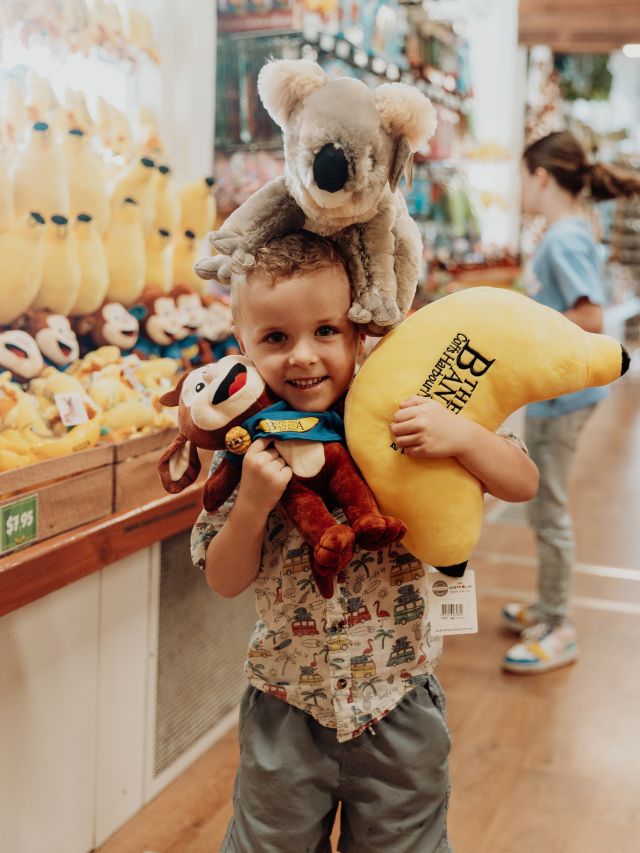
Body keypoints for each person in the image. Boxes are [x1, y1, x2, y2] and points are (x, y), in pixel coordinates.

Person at [191, 231, 538, 852]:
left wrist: (461, 436)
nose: (303, 356)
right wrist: (251, 506)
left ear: (360, 334)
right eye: (276, 338)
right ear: (242, 342)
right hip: (285, 706)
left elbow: (522, 481)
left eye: (325, 330)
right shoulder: (246, 448)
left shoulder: (403, 416)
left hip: (398, 702)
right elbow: (223, 579)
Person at [501, 130, 640, 674]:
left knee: (548, 508)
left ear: (540, 176)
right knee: (543, 506)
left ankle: (558, 625)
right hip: (555, 395)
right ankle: (546, 605)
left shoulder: (564, 238)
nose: (520, 187)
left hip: (564, 399)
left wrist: (522, 322)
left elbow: (590, 316)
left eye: (522, 176)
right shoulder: (569, 231)